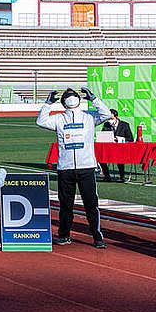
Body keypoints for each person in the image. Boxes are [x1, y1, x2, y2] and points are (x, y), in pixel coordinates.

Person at [36, 87, 110, 248]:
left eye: (72, 95)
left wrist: (94, 99)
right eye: (67, 96)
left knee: (91, 204)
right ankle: (64, 235)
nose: (70, 98)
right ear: (63, 102)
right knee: (66, 205)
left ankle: (98, 237)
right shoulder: (59, 119)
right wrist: (48, 104)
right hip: (66, 168)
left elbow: (106, 114)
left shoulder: (89, 117)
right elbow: (41, 121)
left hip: (87, 167)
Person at [101, 108, 134, 182]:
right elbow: (103, 136)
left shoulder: (125, 125)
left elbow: (130, 139)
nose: (109, 120)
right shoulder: (106, 125)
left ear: (116, 118)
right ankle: (107, 176)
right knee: (101, 156)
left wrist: (118, 138)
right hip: (109, 149)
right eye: (108, 118)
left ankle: (122, 176)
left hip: (121, 149)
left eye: (111, 118)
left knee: (119, 156)